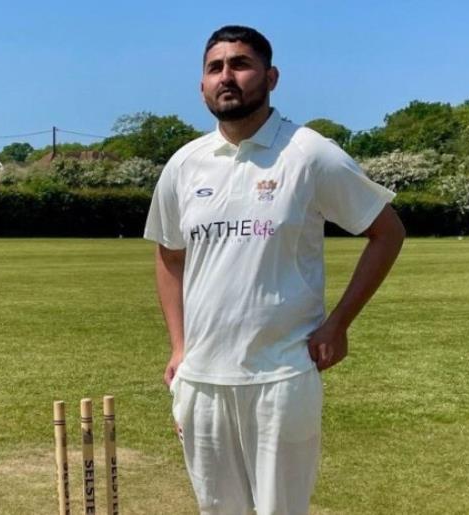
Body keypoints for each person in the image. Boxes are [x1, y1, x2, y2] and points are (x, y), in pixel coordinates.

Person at [144, 25, 405, 515]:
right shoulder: (184, 165)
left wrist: (338, 324)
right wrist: (179, 347)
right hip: (201, 380)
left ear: (271, 76)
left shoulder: (310, 154)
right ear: (201, 84)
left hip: (281, 377)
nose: (227, 77)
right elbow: (169, 254)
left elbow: (386, 232)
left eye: (240, 64)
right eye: (214, 67)